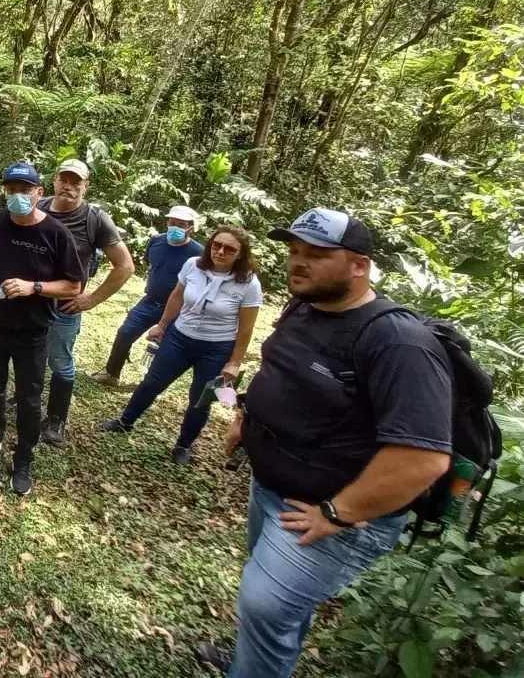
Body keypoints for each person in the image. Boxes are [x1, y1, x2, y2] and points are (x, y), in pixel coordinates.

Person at [194, 208, 454, 677]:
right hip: (274, 485)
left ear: (360, 265)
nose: (299, 263)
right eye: (295, 251)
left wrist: (339, 511)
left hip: (331, 511)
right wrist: (248, 418)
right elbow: (284, 372)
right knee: (273, 610)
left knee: (264, 604)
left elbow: (423, 458)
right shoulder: (304, 307)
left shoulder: (398, 341)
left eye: (316, 254)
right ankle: (253, 661)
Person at [100, 225, 262, 466]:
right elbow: (176, 296)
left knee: (200, 401)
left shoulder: (248, 283)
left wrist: (235, 362)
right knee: (152, 382)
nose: (220, 252)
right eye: (216, 245)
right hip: (180, 337)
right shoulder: (193, 265)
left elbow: (246, 328)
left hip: (216, 348)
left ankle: (183, 445)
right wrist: (162, 325)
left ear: (240, 253)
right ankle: (125, 421)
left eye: (229, 249)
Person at [0, 162, 83, 495]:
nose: (18, 195)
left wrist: (34, 287)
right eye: (12, 189)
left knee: (30, 402)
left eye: (25, 189)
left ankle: (24, 459)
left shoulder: (56, 234)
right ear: (4, 192)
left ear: (39, 192)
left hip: (32, 332)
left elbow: (73, 286)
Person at [36, 158, 135, 445]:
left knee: (60, 362)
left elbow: (125, 266)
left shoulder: (95, 219)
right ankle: (24, 399)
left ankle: (56, 420)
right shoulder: (39, 208)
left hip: (65, 307)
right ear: (54, 180)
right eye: (63, 179)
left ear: (86, 186)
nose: (68, 186)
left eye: (76, 182)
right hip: (31, 300)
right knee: (31, 355)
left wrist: (91, 299)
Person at [92, 205, 203, 386]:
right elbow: (150, 264)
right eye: (172, 222)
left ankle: (152, 383)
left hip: (178, 308)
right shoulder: (157, 241)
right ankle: (111, 373)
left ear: (191, 227)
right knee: (125, 333)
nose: (175, 227)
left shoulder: (198, 253)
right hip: (150, 301)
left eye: (181, 225)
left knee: (167, 347)